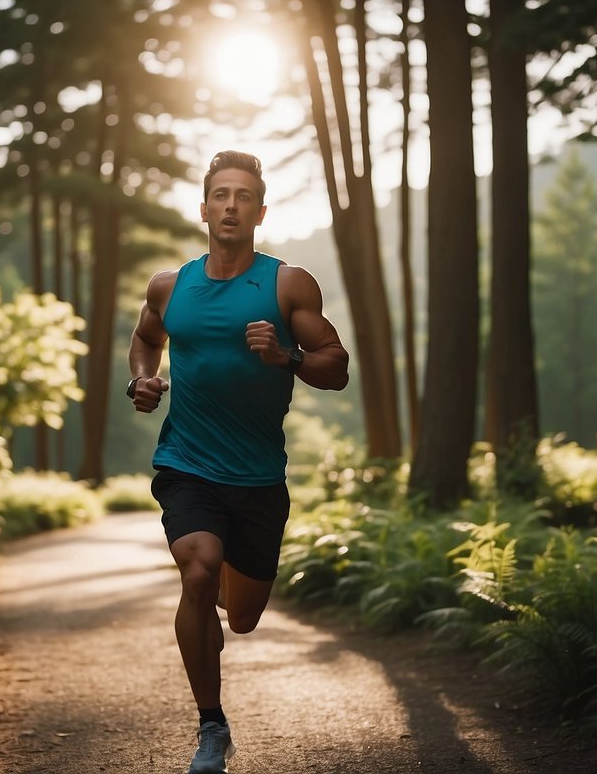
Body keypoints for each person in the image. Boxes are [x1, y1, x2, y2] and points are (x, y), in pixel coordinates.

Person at [127, 150, 349, 774]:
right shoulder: (171, 286)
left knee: (243, 617)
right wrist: (144, 382)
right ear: (203, 209)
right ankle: (211, 726)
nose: (230, 205)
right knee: (197, 570)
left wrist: (288, 358)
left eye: (243, 196)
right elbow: (146, 339)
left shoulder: (287, 285)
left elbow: (336, 365)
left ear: (259, 211)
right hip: (186, 462)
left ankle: (226, 587)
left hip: (257, 479)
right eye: (220, 194)